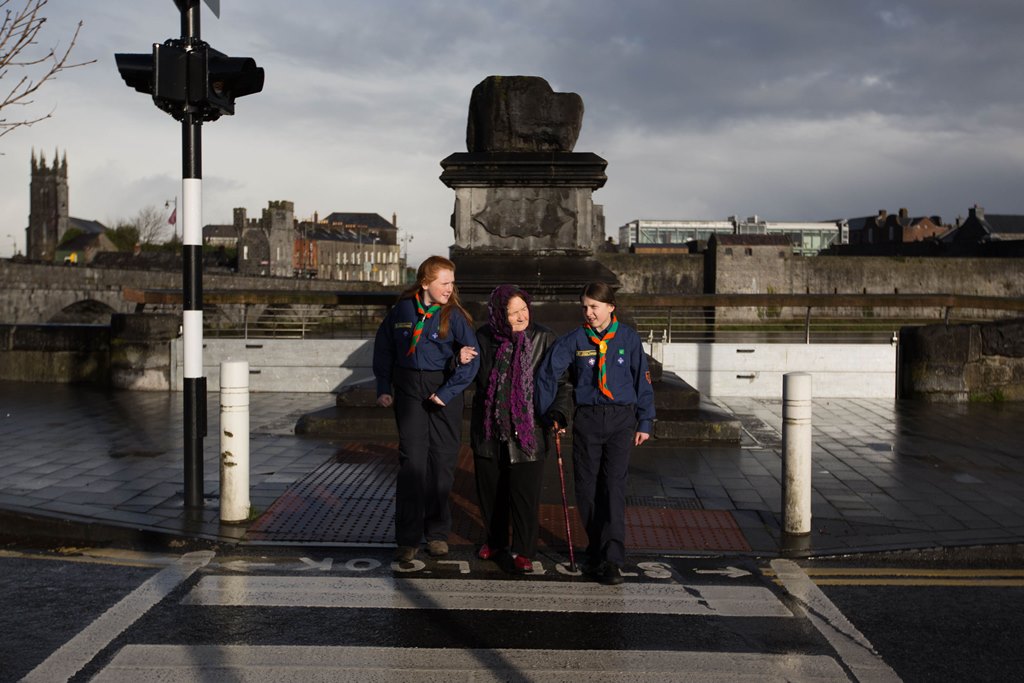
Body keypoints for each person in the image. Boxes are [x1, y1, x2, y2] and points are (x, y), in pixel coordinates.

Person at [535, 282, 655, 585]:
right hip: (588, 419)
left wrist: (646, 421)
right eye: (585, 307)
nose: (588, 313)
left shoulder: (627, 338)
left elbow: (642, 380)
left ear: (610, 307)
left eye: (594, 307)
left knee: (612, 487)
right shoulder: (576, 339)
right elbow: (548, 372)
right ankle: (596, 547)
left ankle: (612, 558)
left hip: (620, 419)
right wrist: (548, 410)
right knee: (587, 489)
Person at [373, 255, 479, 563]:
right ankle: (407, 537)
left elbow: (473, 360)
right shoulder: (402, 310)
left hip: (442, 390)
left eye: (452, 283)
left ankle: (437, 533)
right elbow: (385, 348)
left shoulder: (455, 315)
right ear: (425, 283)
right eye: (444, 283)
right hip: (408, 388)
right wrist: (383, 387)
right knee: (412, 463)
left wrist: (446, 392)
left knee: (442, 464)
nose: (450, 289)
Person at [458, 285, 571, 573]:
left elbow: (561, 383)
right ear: (499, 314)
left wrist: (557, 412)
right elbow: (470, 376)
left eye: (524, 309)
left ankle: (523, 550)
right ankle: (495, 541)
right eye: (513, 312)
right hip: (489, 429)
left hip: (529, 430)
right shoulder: (483, 337)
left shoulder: (544, 338)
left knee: (524, 497)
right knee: (491, 494)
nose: (521, 316)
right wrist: (457, 359)